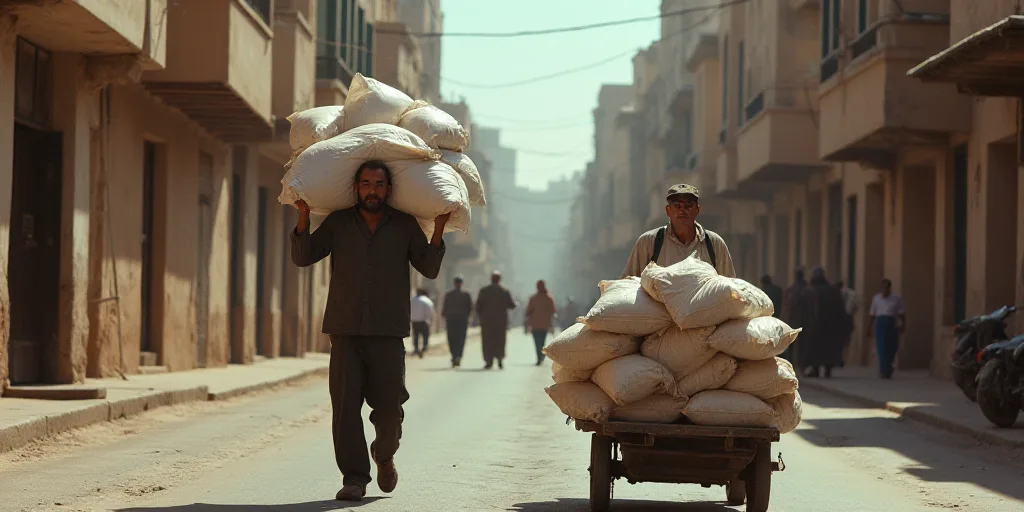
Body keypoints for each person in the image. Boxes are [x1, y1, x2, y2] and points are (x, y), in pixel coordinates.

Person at [290, 160, 448, 501]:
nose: (372, 190)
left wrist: (438, 229)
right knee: (345, 409)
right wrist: (304, 216)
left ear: (389, 189)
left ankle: (384, 453)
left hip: (388, 333)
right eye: (365, 184)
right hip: (344, 331)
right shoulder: (339, 223)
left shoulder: (404, 225)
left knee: (390, 408)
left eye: (378, 184)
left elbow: (430, 267)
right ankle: (354, 478)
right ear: (356, 188)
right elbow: (304, 256)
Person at [621, 184, 736, 278]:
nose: (682, 211)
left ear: (697, 209)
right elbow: (627, 284)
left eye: (688, 206)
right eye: (677, 206)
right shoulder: (649, 243)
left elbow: (729, 289)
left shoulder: (714, 244)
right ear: (668, 210)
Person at [801, 268, 850, 378]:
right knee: (828, 348)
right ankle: (827, 370)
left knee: (816, 348)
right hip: (830, 325)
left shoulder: (811, 291)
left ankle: (816, 369)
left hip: (816, 326)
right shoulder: (833, 290)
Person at [476, 271, 516, 370]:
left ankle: (488, 361)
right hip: (500, 322)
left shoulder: (484, 291)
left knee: (487, 340)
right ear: (499, 280)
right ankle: (499, 359)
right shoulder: (504, 291)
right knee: (500, 340)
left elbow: (478, 306)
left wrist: (482, 316)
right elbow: (511, 305)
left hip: (487, 321)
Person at [869, 278, 905, 379]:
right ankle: (884, 371)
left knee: (892, 347)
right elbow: (872, 313)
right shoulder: (876, 298)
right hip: (880, 323)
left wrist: (903, 324)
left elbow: (901, 313)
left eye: (886, 287)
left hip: (891, 322)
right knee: (882, 348)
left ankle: (889, 367)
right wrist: (869, 327)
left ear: (889, 288)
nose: (884, 289)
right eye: (882, 287)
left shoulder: (896, 297)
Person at [780, 269, 813, 364]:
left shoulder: (791, 290)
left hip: (792, 322)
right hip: (805, 321)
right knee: (802, 345)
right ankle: (800, 364)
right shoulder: (808, 290)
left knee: (792, 345)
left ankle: (792, 363)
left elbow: (786, 307)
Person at [441, 276, 473, 368]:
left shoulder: (466, 294)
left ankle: (457, 356)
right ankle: (455, 356)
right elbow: (445, 306)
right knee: (453, 338)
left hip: (459, 319)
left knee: (459, 339)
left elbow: (470, 307)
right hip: (454, 319)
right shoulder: (450, 294)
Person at [525, 280, 558, 366]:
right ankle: (541, 356)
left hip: (535, 325)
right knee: (542, 341)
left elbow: (528, 312)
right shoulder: (549, 298)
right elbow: (553, 311)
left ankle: (539, 357)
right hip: (544, 324)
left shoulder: (533, 298)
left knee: (537, 342)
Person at [836, 280, 858, 367]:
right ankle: (843, 359)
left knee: (839, 340)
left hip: (840, 320)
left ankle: (840, 358)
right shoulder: (851, 294)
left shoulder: (837, 295)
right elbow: (855, 307)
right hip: (848, 319)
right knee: (846, 341)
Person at [409, 289, 434, 358]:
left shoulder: (411, 300)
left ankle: (416, 348)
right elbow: (430, 312)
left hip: (414, 321)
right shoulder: (426, 300)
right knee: (425, 336)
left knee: (416, 336)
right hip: (423, 321)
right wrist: (430, 320)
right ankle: (424, 348)